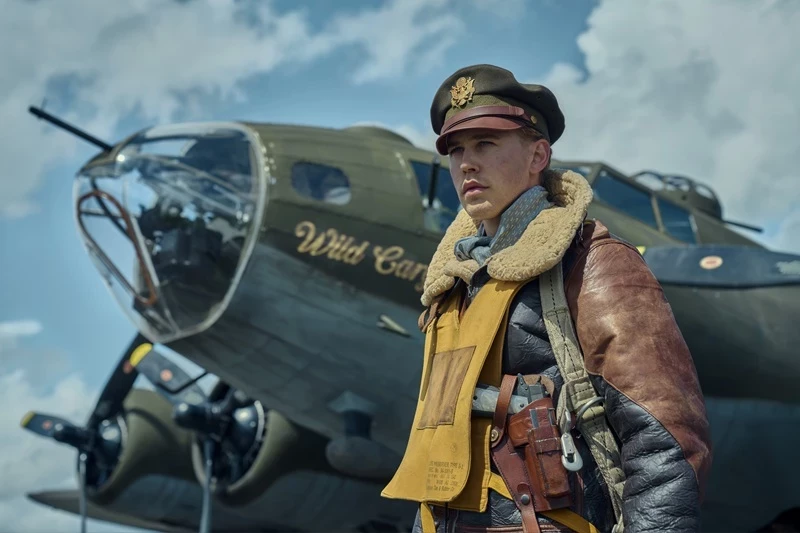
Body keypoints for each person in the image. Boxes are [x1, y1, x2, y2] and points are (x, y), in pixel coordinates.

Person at [381, 64, 712, 533]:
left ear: (539, 154)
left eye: (485, 144)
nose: (466, 164)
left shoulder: (591, 262)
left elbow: (666, 441)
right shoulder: (454, 282)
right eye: (456, 151)